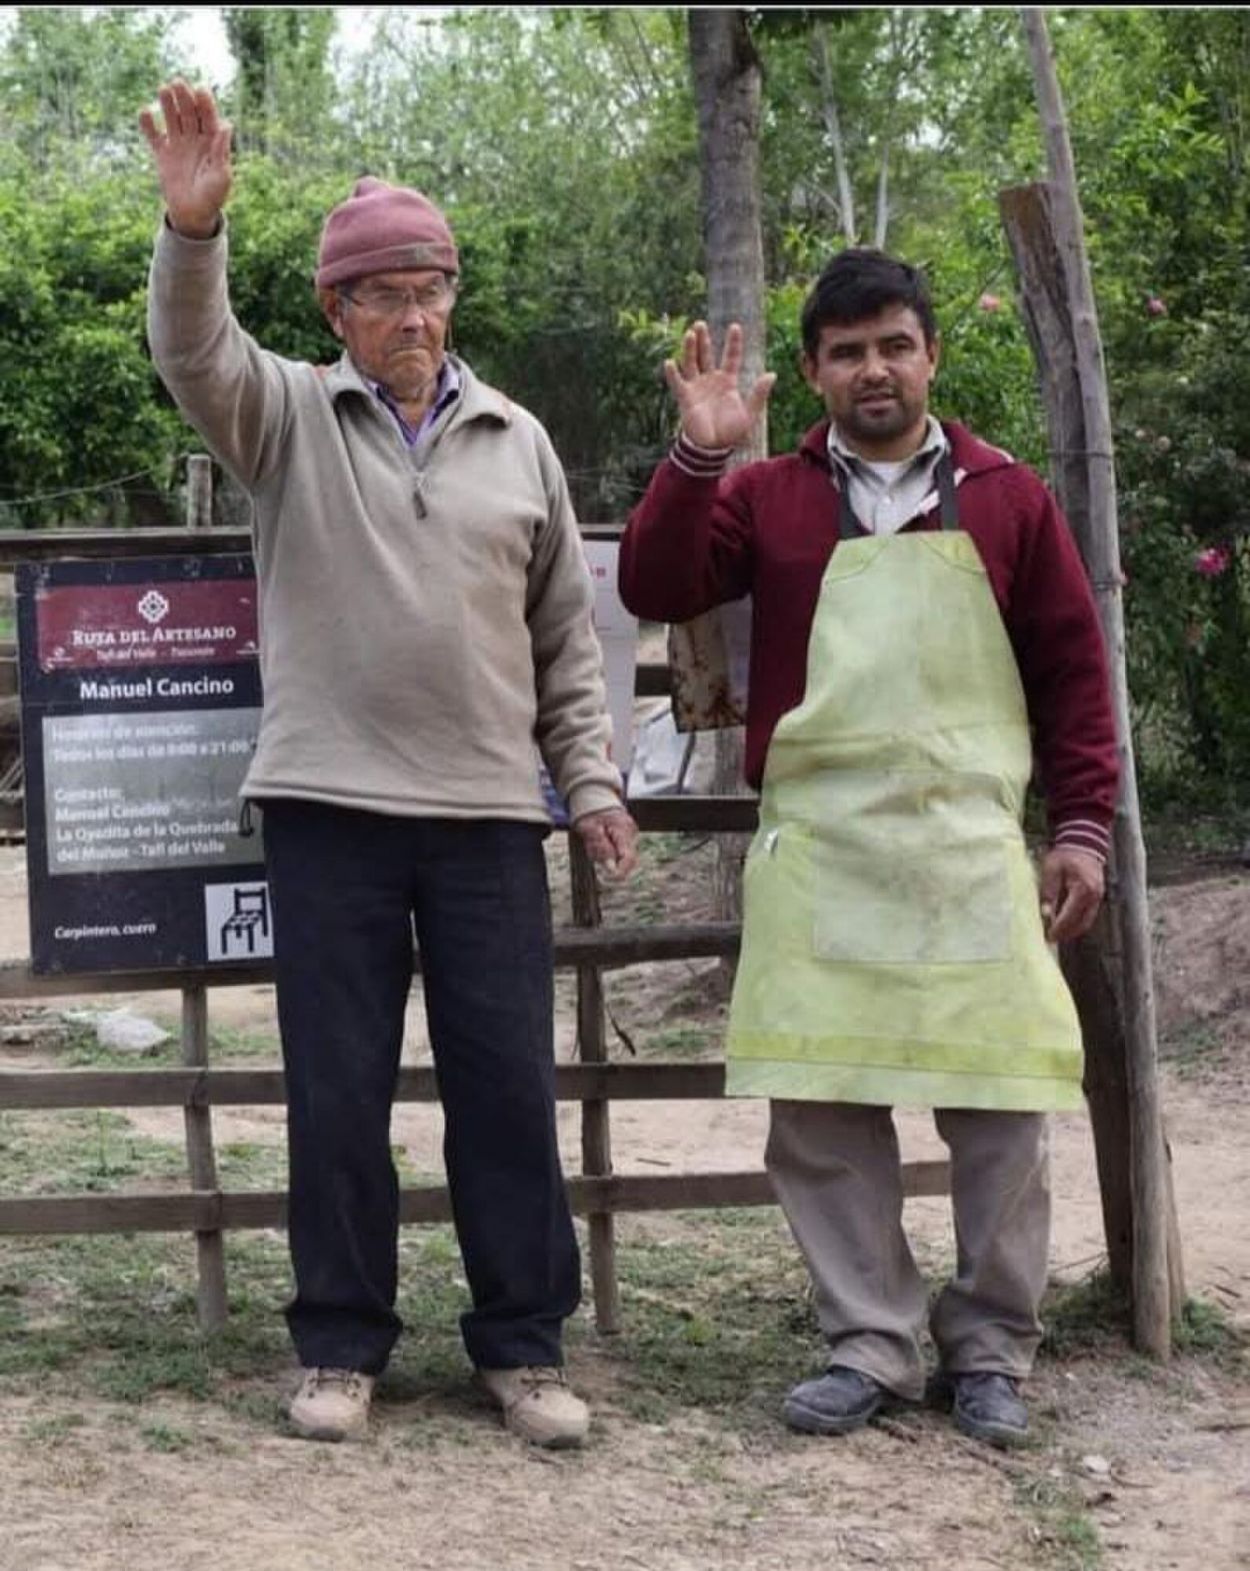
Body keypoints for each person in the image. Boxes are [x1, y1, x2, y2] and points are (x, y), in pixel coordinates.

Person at [140, 78, 638, 1449]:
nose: (415, 317)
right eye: (385, 296)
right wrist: (193, 233)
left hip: (486, 814)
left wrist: (586, 780)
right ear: (336, 313)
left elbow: (562, 638)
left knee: (504, 1087)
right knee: (336, 1088)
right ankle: (339, 1345)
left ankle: (522, 1346)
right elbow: (192, 353)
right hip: (329, 810)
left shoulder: (515, 437)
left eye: (433, 289)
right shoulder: (287, 418)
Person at [618, 249, 1118, 1450]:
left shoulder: (1004, 498)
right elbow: (656, 576)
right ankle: (868, 1340)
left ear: (930, 354)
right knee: (821, 1107)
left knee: (1000, 1103)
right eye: (845, 352)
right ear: (812, 373)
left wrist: (1083, 829)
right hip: (822, 845)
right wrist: (700, 454)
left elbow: (1070, 675)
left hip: (965, 848)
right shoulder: (767, 498)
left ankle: (992, 1346)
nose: (873, 369)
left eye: (893, 343)